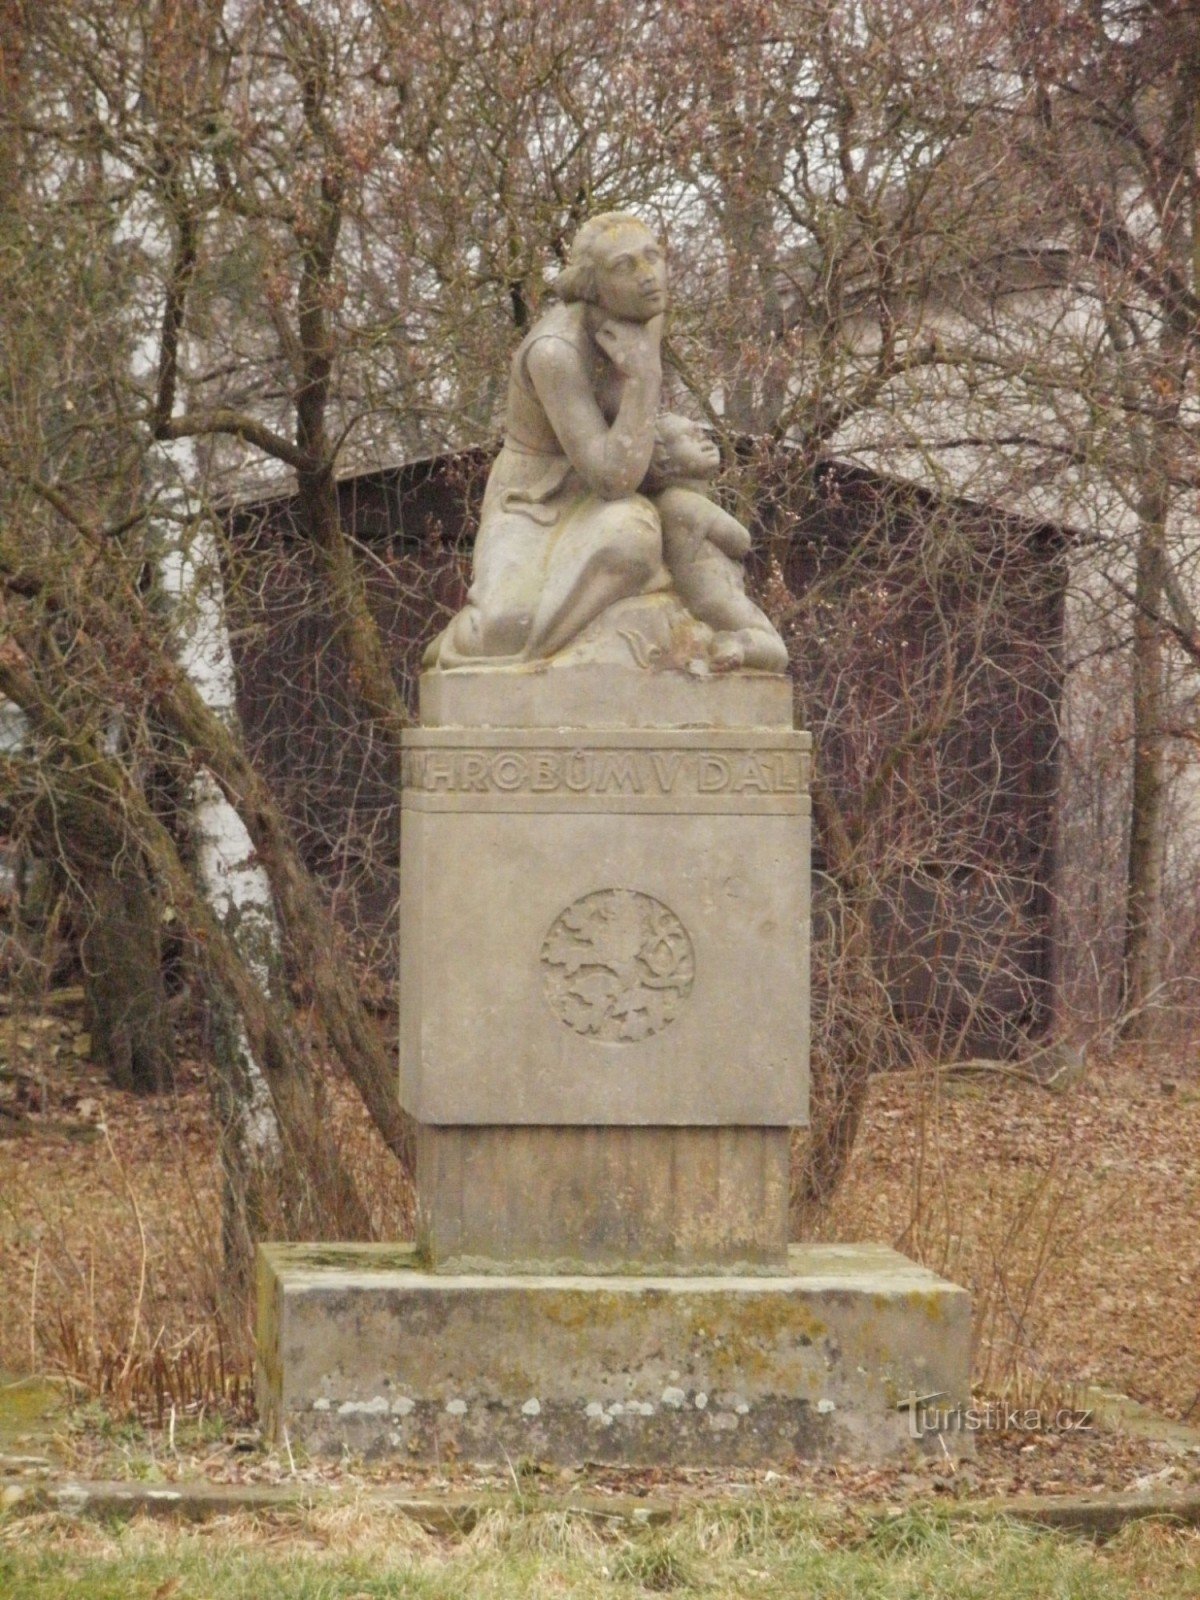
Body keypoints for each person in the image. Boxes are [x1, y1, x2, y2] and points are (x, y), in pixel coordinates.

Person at [429, 212, 672, 665]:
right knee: (502, 628)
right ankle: (522, 652)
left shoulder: (644, 314)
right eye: (624, 266)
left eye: (652, 257)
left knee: (637, 538)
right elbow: (613, 479)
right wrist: (645, 379)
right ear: (592, 286)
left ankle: (559, 647)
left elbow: (624, 463)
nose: (647, 275)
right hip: (535, 501)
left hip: (608, 492)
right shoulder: (556, 352)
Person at [644, 413, 789, 672]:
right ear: (662, 460)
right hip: (717, 597)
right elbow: (740, 541)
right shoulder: (682, 501)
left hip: (702, 597)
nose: (705, 440)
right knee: (777, 652)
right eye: (690, 436)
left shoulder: (667, 502)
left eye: (701, 433)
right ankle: (736, 644)